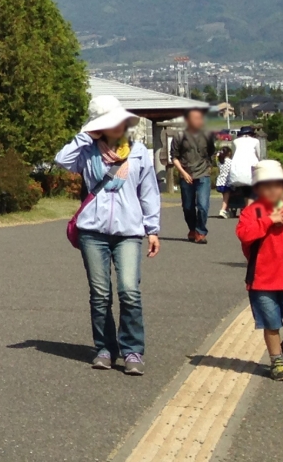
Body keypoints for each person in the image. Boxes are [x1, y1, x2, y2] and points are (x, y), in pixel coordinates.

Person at [54, 95, 162, 375]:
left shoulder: (139, 152)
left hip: (128, 231)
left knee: (129, 291)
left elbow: (148, 192)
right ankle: (104, 348)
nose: (117, 125)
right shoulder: (88, 152)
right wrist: (84, 135)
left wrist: (152, 229)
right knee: (100, 294)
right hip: (92, 231)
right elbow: (61, 160)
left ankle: (132, 350)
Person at [236, 161, 283, 381]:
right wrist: (269, 220)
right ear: (258, 188)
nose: (272, 190)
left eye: (277, 185)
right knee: (270, 323)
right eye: (266, 185)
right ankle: (276, 361)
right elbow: (244, 234)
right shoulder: (252, 211)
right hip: (262, 278)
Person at [171, 107, 216, 244]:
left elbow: (211, 152)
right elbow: (174, 157)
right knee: (188, 206)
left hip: (203, 174)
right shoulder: (180, 136)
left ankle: (201, 232)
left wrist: (209, 167)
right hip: (187, 174)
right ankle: (192, 229)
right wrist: (183, 173)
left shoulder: (207, 135)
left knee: (203, 206)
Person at [226, 128, 265, 217]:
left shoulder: (235, 141)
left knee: (244, 190)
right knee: (254, 189)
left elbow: (234, 152)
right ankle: (249, 209)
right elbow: (259, 155)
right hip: (251, 167)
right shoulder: (255, 141)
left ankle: (247, 209)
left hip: (237, 168)